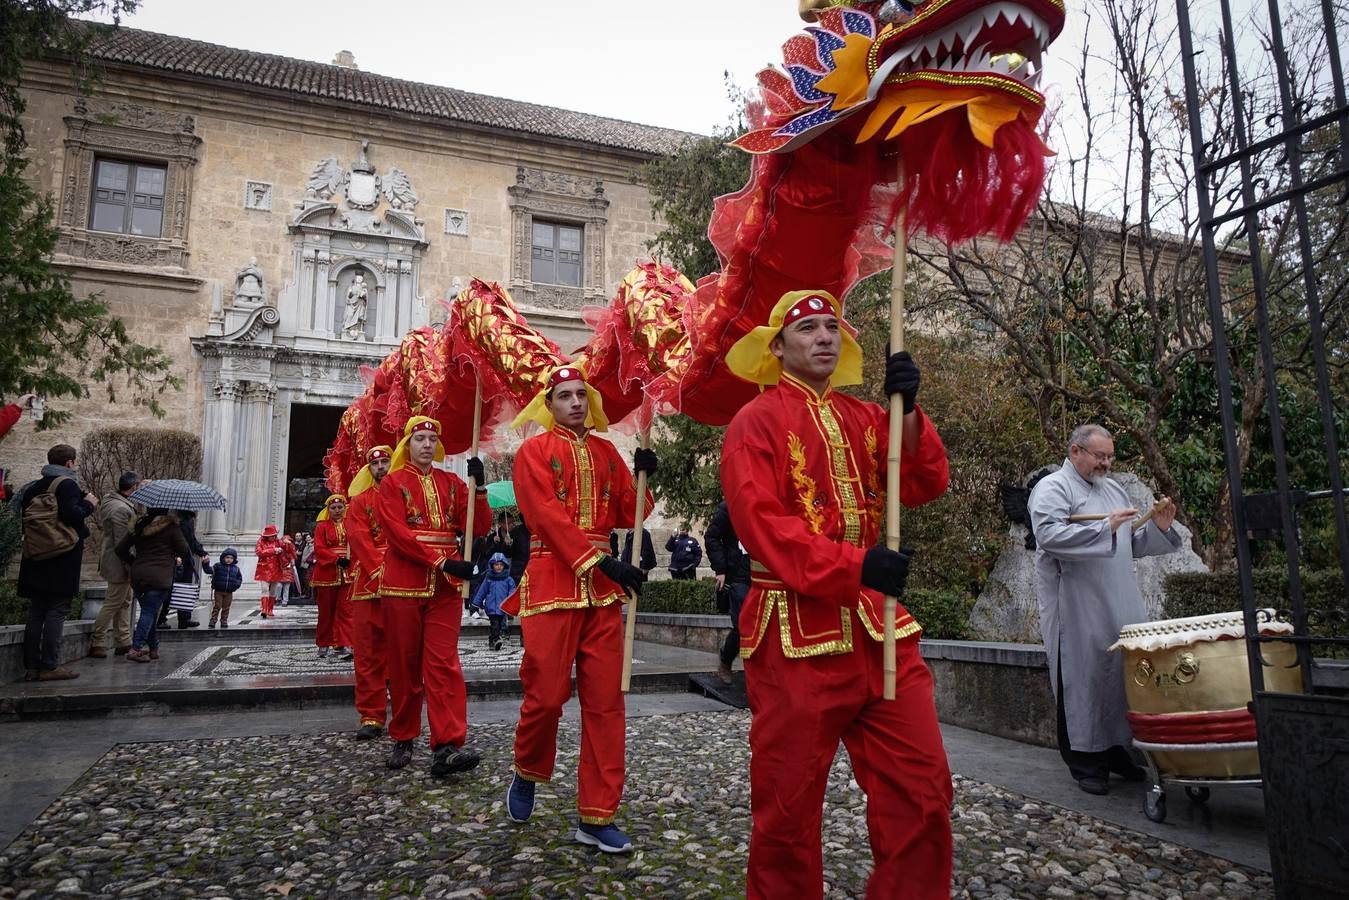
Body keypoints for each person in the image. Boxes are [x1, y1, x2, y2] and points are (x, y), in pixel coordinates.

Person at [719, 290, 952, 898]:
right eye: (808, 329)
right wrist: (854, 566)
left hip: (882, 632)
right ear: (777, 347)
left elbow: (925, 481)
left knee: (923, 793)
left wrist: (907, 409)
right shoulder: (754, 423)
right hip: (795, 637)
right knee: (787, 813)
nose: (824, 337)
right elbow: (763, 528)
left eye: (832, 328)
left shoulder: (864, 417)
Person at [503, 364, 654, 855]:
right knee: (545, 697)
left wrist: (645, 474)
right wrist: (600, 562)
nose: (574, 402)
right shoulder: (533, 451)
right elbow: (543, 514)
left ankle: (597, 814)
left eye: (580, 395)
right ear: (549, 405)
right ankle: (527, 769)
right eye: (564, 395)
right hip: (552, 581)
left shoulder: (608, 451)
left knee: (607, 703)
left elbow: (633, 511)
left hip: (602, 593)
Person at [1027, 423, 1182, 796]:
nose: (1106, 463)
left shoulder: (1112, 489)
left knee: (1117, 677)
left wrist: (1157, 529)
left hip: (1117, 599)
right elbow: (1048, 535)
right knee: (1082, 677)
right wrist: (1104, 530)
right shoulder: (1052, 488)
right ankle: (1084, 762)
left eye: (1110, 456)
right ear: (1075, 451)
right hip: (1076, 603)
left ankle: (1115, 751)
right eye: (1099, 456)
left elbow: (1128, 543)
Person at [375, 416, 490, 774]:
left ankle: (447, 745)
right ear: (407, 445)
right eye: (419, 438)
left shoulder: (452, 482)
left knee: (443, 665)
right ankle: (404, 736)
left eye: (431, 439)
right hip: (403, 585)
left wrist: (480, 488)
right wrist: (442, 561)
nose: (426, 444)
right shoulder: (392, 484)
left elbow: (478, 526)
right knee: (404, 666)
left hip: (444, 589)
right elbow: (398, 535)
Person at [15, 444, 98, 681]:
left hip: (35, 556)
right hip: (61, 556)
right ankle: (50, 666)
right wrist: (89, 503)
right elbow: (72, 515)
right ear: (70, 463)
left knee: (37, 611)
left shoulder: (34, 487)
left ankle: (31, 667)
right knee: (56, 611)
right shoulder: (66, 484)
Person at [344, 444, 394, 740]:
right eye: (375, 464)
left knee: (402, 653)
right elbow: (358, 537)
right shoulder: (359, 502)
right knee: (367, 654)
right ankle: (371, 715)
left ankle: (403, 712)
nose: (381, 467)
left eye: (386, 461)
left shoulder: (406, 495)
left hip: (404, 584)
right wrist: (379, 568)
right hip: (367, 585)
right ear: (368, 469)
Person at [116, 508, 190, 663]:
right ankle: (135, 649)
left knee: (149, 612)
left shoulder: (139, 525)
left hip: (139, 575)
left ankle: (154, 648)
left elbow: (120, 548)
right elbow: (184, 550)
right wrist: (174, 556)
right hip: (159, 576)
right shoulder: (171, 527)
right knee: (149, 613)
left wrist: (133, 561)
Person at [90, 470, 140, 658]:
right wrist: (132, 564)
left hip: (118, 560)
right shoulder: (120, 508)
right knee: (113, 602)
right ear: (133, 487)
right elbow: (122, 542)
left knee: (125, 601)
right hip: (119, 563)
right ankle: (98, 641)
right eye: (138, 487)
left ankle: (123, 640)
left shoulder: (114, 501)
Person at [704, 500, 750, 685]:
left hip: (764, 572)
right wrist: (720, 569)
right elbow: (712, 537)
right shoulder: (730, 506)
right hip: (738, 574)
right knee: (743, 624)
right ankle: (726, 660)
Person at [312, 495, 355, 659]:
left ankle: (345, 643)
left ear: (345, 508)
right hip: (327, 573)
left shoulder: (351, 525)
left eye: (340, 507)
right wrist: (336, 559)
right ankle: (323, 643)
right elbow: (319, 548)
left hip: (348, 573)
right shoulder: (321, 527)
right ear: (328, 510)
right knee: (325, 611)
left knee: (346, 610)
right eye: (333, 508)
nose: (337, 511)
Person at [470, 552, 516, 650]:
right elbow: (482, 591)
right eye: (496, 565)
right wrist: (475, 604)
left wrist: (511, 604)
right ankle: (496, 639)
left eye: (501, 564)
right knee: (494, 624)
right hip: (491, 607)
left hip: (503, 608)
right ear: (492, 565)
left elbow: (512, 593)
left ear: (504, 565)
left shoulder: (508, 579)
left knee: (500, 626)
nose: (499, 567)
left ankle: (492, 639)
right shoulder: (488, 578)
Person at [254, 525, 287, 618]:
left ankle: (270, 609)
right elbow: (259, 552)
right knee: (264, 589)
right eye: (272, 535)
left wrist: (287, 544)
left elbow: (286, 549)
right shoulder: (260, 541)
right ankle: (264, 609)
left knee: (273, 591)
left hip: (276, 568)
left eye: (274, 535)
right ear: (267, 535)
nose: (273, 537)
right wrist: (273, 550)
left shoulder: (278, 541)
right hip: (264, 568)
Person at [208, 548, 243, 628]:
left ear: (234, 559)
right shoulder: (218, 566)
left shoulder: (236, 569)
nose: (229, 560)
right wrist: (205, 564)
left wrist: (236, 585)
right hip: (218, 590)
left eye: (231, 558)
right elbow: (209, 570)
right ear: (223, 558)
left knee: (226, 607)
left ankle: (224, 620)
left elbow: (239, 578)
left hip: (229, 591)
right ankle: (213, 620)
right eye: (227, 557)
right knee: (217, 606)